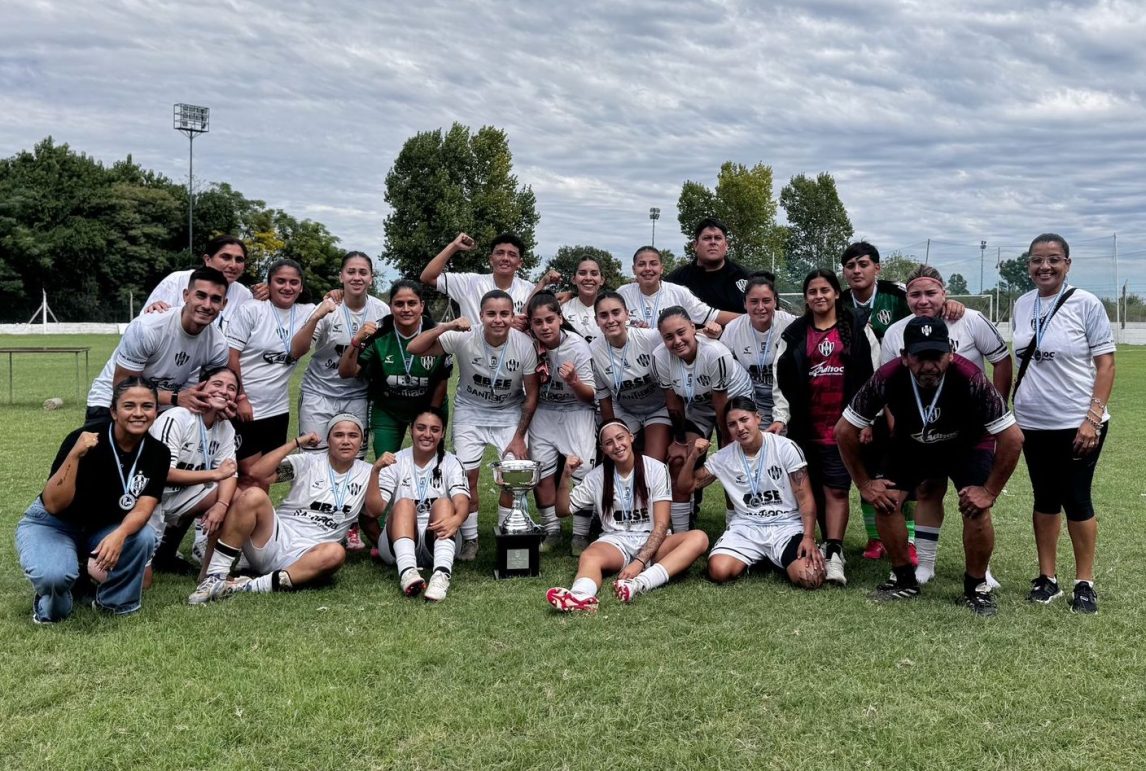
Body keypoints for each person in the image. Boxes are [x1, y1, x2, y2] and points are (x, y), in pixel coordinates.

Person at [835, 316, 1024, 616]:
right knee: (885, 500)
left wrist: (989, 491)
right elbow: (844, 431)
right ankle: (903, 579)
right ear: (904, 356)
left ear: (950, 353)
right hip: (911, 443)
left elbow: (1013, 438)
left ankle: (976, 587)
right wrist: (865, 484)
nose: (929, 366)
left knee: (975, 507)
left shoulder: (970, 377)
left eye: (936, 356)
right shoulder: (887, 376)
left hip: (967, 445)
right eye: (919, 357)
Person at [881, 264, 1012, 586]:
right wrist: (898, 429)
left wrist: (995, 409)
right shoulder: (896, 332)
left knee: (974, 497)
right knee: (928, 490)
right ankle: (925, 565)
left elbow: (1002, 360)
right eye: (915, 294)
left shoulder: (970, 320)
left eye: (931, 293)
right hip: (922, 431)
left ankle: (982, 570)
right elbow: (888, 386)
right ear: (907, 298)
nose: (923, 300)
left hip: (968, 433)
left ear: (945, 293)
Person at [1012, 233, 1115, 614]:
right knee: (1044, 498)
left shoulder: (1086, 303)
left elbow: (1106, 364)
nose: (1045, 267)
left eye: (1053, 259)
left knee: (1076, 498)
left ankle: (1084, 582)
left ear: (1067, 264)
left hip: (1077, 422)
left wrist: (1092, 419)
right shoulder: (1022, 304)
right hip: (1032, 422)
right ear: (1028, 265)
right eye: (1037, 260)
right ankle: (1047, 578)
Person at [16, 378, 170, 623]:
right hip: (54, 525)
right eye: (129, 406)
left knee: (143, 536)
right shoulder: (83, 438)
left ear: (156, 411)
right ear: (113, 411)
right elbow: (54, 504)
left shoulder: (158, 453)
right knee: (54, 578)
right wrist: (75, 455)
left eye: (147, 406)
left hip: (102, 528)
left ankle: (114, 603)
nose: (139, 413)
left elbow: (144, 508)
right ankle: (55, 599)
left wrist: (119, 535)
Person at [406, 289, 539, 561]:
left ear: (512, 315)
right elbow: (414, 348)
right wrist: (447, 326)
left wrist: (518, 436)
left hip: (508, 413)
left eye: (504, 314)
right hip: (471, 411)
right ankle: (470, 539)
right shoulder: (464, 336)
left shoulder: (524, 344)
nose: (498, 320)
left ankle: (508, 534)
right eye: (491, 314)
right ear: (480, 316)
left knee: (513, 476)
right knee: (467, 478)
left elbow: (532, 394)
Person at [188, 414, 374, 604]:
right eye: (338, 435)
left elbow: (375, 510)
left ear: (362, 441)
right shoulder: (308, 461)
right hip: (273, 539)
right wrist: (295, 443)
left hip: (310, 553)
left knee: (335, 553)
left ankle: (244, 586)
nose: (345, 441)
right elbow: (257, 473)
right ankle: (215, 576)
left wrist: (377, 471)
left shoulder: (368, 472)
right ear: (328, 440)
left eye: (353, 435)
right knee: (253, 495)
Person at [772, 269, 879, 587]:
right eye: (812, 291)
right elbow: (781, 380)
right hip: (806, 427)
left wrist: (868, 419)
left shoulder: (858, 329)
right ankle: (822, 541)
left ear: (836, 294)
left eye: (825, 290)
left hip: (843, 428)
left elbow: (874, 377)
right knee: (814, 489)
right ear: (805, 298)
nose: (819, 296)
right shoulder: (794, 334)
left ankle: (834, 552)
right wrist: (781, 417)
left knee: (837, 489)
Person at [547, 420, 709, 611]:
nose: (617, 446)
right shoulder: (597, 476)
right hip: (616, 541)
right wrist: (566, 475)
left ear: (631, 438)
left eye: (620, 438)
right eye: (609, 443)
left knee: (699, 538)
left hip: (652, 540)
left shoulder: (656, 468)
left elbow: (661, 524)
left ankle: (639, 584)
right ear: (603, 449)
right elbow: (562, 511)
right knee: (589, 555)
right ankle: (580, 596)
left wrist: (639, 562)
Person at [675, 397, 825, 588]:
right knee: (718, 571)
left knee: (811, 577)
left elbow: (805, 498)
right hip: (747, 528)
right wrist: (693, 456)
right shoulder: (724, 457)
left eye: (744, 420)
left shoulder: (785, 448)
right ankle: (762, 557)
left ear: (757, 418)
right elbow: (685, 487)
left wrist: (808, 537)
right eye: (732, 424)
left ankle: (774, 557)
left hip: (786, 526)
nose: (740, 428)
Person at [85, 267, 230, 427]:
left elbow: (206, 391)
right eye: (201, 296)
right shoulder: (147, 328)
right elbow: (123, 386)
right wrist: (175, 397)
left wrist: (220, 404)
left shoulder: (218, 345)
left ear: (224, 304)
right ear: (186, 295)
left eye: (215, 299)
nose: (207, 305)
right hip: (112, 401)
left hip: (167, 407)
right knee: (96, 443)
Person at [654, 306, 754, 533]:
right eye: (668, 337)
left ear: (693, 327)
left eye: (681, 332)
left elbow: (721, 403)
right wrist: (679, 441)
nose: (677, 341)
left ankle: (734, 524)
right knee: (679, 459)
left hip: (732, 399)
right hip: (698, 404)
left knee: (732, 460)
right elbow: (673, 402)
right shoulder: (659, 357)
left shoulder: (715, 353)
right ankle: (681, 530)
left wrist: (727, 442)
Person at [145, 365, 240, 585]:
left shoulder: (225, 427)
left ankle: (210, 573)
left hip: (181, 497)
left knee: (235, 497)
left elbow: (230, 473)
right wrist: (214, 474)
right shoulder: (177, 417)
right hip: (149, 498)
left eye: (231, 388)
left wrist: (221, 505)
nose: (224, 391)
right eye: (217, 384)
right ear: (201, 387)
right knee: (143, 583)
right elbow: (163, 474)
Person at [226, 258, 316, 489]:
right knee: (246, 474)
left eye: (294, 282)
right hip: (246, 407)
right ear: (269, 284)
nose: (287, 287)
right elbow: (231, 356)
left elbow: (337, 301)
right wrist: (241, 397)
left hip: (277, 409)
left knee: (265, 475)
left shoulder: (307, 312)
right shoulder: (252, 309)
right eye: (280, 281)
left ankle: (260, 514)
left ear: (301, 287)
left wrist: (336, 293)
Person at [290, 251, 391, 454]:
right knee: (313, 459)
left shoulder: (381, 310)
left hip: (357, 396)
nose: (357, 277)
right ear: (341, 276)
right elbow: (296, 351)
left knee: (353, 458)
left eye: (363, 272)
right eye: (351, 272)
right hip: (319, 394)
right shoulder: (328, 307)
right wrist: (316, 317)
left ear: (371, 278)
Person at [365, 407, 469, 602]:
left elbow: (462, 501)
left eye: (434, 429)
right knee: (404, 503)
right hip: (398, 542)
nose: (427, 434)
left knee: (444, 503)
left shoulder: (452, 462)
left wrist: (457, 519)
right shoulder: (395, 461)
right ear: (411, 429)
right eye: (421, 428)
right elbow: (374, 510)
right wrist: (375, 471)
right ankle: (408, 572)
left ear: (443, 433)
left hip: (439, 538)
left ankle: (441, 575)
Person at [525, 292, 598, 551]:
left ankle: (580, 534)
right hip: (544, 410)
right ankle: (551, 530)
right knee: (541, 471)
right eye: (538, 322)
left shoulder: (577, 346)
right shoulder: (528, 343)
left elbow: (591, 395)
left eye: (549, 320)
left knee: (583, 470)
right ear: (531, 324)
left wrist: (574, 382)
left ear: (560, 318)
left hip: (576, 410)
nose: (545, 327)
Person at [420, 231, 555, 330]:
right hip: (474, 356)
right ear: (491, 259)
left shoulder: (529, 289)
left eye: (512, 254)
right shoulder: (469, 283)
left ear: (520, 263)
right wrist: (454, 246)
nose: (505, 258)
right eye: (500, 253)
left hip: (517, 358)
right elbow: (427, 277)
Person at [719, 272, 798, 424]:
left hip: (788, 398)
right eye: (754, 301)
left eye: (766, 301)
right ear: (745, 303)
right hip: (752, 401)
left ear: (775, 301)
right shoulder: (733, 329)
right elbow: (722, 366)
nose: (760, 307)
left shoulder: (791, 325)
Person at [142, 235, 266, 329]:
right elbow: (145, 326)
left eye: (239, 260)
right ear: (207, 259)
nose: (233, 265)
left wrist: (267, 297)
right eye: (226, 257)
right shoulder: (177, 280)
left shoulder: (244, 295)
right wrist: (153, 313)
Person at [618, 246, 736, 333]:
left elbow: (713, 315)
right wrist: (630, 327)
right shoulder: (622, 294)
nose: (648, 269)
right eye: (641, 264)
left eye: (653, 264)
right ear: (634, 269)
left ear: (661, 269)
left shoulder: (678, 293)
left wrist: (746, 318)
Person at [667, 217, 752, 314]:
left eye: (718, 238)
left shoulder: (747, 278)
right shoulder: (676, 281)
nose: (713, 242)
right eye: (707, 238)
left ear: (726, 245)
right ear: (695, 245)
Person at [561, 255, 607, 342]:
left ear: (602, 280)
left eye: (594, 274)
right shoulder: (563, 310)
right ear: (574, 279)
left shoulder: (611, 310)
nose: (588, 278)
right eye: (582, 273)